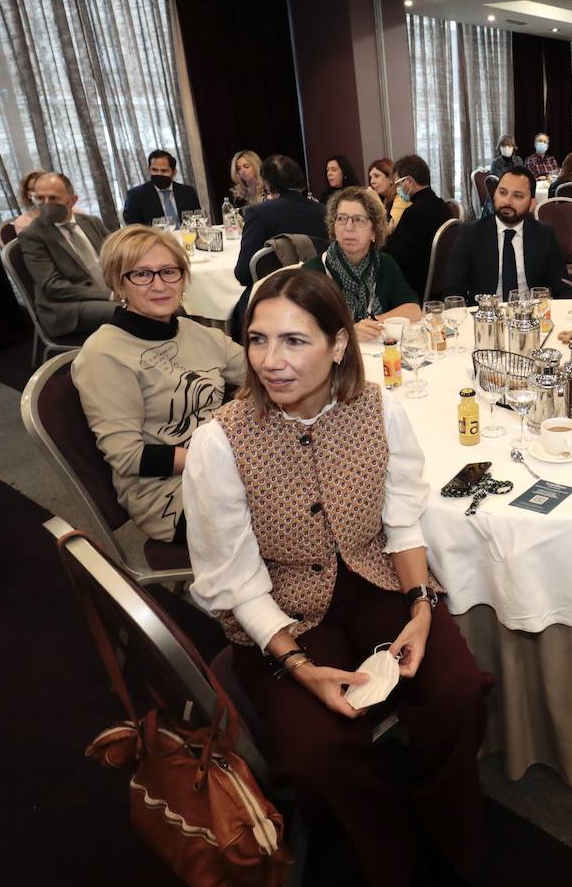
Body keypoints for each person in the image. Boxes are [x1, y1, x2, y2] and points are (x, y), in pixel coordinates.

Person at [183, 269, 490, 886]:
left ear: (339, 344)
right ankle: (386, 863)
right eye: (258, 340)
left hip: (374, 580)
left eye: (295, 341)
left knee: (458, 691)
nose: (272, 362)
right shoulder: (220, 444)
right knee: (319, 754)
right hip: (278, 608)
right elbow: (238, 582)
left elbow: (400, 523)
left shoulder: (381, 409)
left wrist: (421, 609)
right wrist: (298, 664)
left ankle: (448, 837)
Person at [72, 225, 244, 543]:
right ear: (118, 283)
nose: (159, 285)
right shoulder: (104, 355)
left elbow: (260, 373)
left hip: (225, 465)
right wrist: (230, 459)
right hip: (169, 495)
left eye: (169, 272)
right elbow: (128, 456)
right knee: (303, 499)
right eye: (141, 274)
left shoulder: (196, 333)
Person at [303, 186, 422, 343]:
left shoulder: (383, 264)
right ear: (333, 226)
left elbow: (413, 310)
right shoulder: (314, 271)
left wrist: (372, 323)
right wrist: (350, 332)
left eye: (358, 220)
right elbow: (304, 329)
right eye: (341, 219)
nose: (349, 227)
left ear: (374, 231)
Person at [442, 166, 568, 302]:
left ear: (532, 204)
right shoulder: (471, 233)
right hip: (485, 317)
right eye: (502, 193)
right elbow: (452, 291)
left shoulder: (544, 235)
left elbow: (564, 289)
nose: (507, 201)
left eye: (517, 196)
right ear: (494, 195)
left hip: (531, 316)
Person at [19, 172, 117, 340]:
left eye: (53, 198)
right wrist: (109, 295)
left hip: (108, 289)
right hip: (68, 306)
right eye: (40, 199)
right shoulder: (32, 235)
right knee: (131, 314)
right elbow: (52, 286)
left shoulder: (91, 222)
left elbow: (118, 255)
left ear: (72, 200)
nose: (46, 204)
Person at [234, 155, 327, 288]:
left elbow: (243, 274)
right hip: (321, 292)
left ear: (267, 184)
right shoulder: (325, 211)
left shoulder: (258, 214)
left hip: (275, 293)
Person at [383, 154, 454, 298]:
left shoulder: (413, 213)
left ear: (409, 181)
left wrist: (388, 235)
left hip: (417, 287)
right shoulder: (444, 206)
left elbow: (394, 259)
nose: (397, 189)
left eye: (398, 184)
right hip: (441, 285)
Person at [122, 150, 201, 227]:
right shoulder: (135, 195)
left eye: (164, 171)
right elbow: (134, 229)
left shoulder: (188, 192)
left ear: (174, 173)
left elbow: (199, 221)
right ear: (149, 169)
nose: (159, 174)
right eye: (154, 170)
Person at [368, 157, 410, 229]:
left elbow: (391, 228)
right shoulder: (384, 199)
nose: (372, 181)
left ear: (391, 179)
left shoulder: (401, 198)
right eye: (370, 178)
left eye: (376, 176)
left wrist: (377, 202)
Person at [10, 168, 47, 234]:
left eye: (42, 187)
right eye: (33, 189)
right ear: (27, 194)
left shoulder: (69, 211)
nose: (38, 193)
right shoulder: (21, 222)